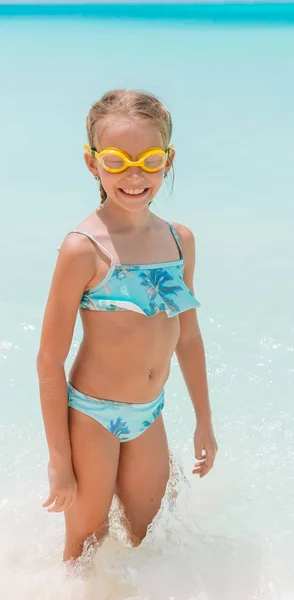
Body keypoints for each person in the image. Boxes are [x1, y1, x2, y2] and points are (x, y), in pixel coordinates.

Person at [36, 89, 218, 562]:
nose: (134, 175)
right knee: (86, 545)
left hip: (149, 414)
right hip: (91, 415)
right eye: (116, 161)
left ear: (168, 160)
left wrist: (204, 420)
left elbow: (189, 338)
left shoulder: (180, 241)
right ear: (92, 163)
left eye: (149, 160)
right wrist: (59, 459)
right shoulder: (84, 249)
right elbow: (49, 359)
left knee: (147, 539)